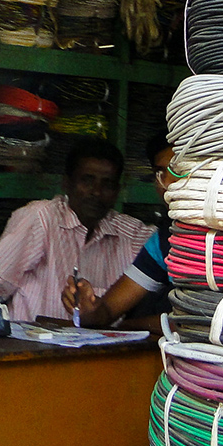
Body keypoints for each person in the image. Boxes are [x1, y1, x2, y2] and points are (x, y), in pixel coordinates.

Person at [0, 140, 153, 323]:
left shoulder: (132, 235)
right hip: (31, 352)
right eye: (87, 180)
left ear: (118, 191)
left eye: (107, 184)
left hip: (101, 356)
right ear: (66, 183)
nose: (96, 192)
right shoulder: (40, 219)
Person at [62, 132, 178, 330]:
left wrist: (129, 326)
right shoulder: (166, 240)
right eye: (160, 173)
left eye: (178, 170)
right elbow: (106, 311)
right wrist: (88, 309)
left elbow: (200, 324)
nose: (167, 184)